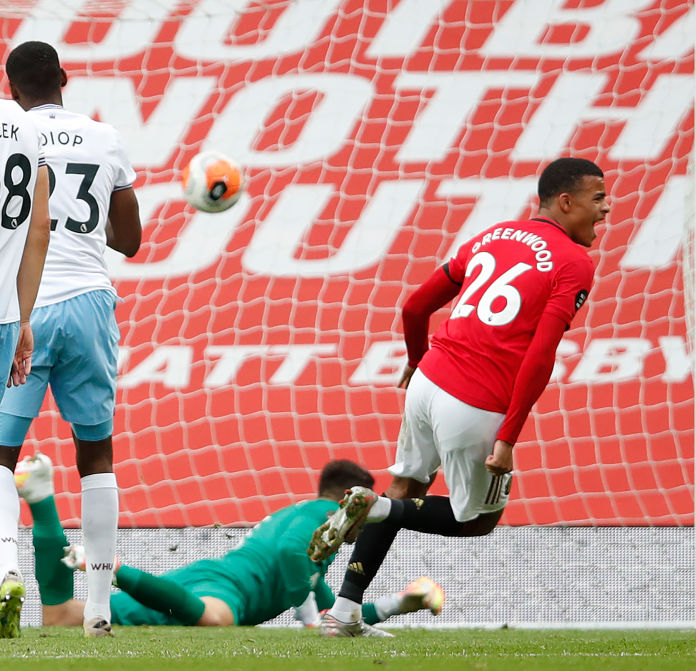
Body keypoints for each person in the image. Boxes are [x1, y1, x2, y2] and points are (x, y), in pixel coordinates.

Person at [307, 157, 606, 637]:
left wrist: (413, 360)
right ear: (566, 202)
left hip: (427, 380)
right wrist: (508, 437)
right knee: (475, 522)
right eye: (598, 198)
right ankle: (378, 509)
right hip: (476, 401)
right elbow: (541, 355)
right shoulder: (574, 262)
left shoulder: (493, 235)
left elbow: (414, 305)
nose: (606, 210)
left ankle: (343, 613)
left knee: (405, 487)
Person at [0, 41, 141, 639]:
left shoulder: (11, 138)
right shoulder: (104, 137)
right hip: (88, 300)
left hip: (20, 303)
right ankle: (100, 610)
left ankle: (5, 573)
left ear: (11, 91)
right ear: (63, 77)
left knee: (3, 456)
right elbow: (130, 240)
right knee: (96, 456)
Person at [15, 454, 444, 629]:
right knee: (217, 620)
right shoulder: (322, 516)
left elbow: (336, 614)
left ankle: (39, 497)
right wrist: (310, 618)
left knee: (63, 617)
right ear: (350, 500)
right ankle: (110, 566)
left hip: (206, 578)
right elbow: (289, 555)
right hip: (225, 589)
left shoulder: (302, 519)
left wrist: (399, 603)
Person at [0, 59, 51, 638]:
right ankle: (5, 568)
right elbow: (39, 229)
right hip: (6, 315)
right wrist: (23, 317)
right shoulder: (26, 125)